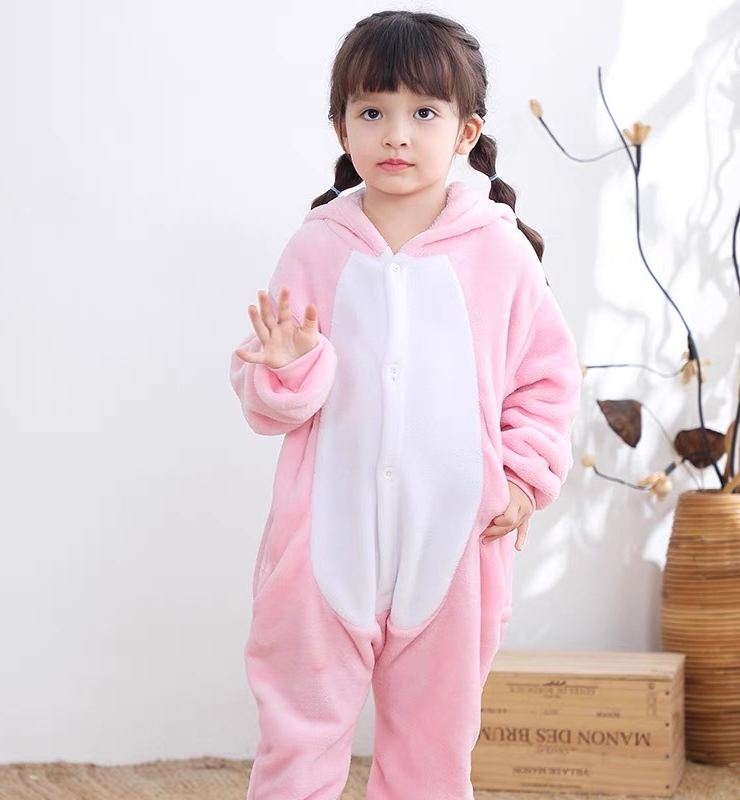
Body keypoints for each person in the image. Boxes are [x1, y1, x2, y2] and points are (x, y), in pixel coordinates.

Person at [229, 10, 581, 799]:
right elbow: (267, 395)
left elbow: (548, 379)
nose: (396, 134)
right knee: (297, 739)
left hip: (454, 547)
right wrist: (289, 366)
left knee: (431, 752)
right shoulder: (318, 244)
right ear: (341, 127)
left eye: (423, 112)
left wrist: (523, 479)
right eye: (371, 112)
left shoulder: (499, 252)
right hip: (323, 547)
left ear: (466, 131)